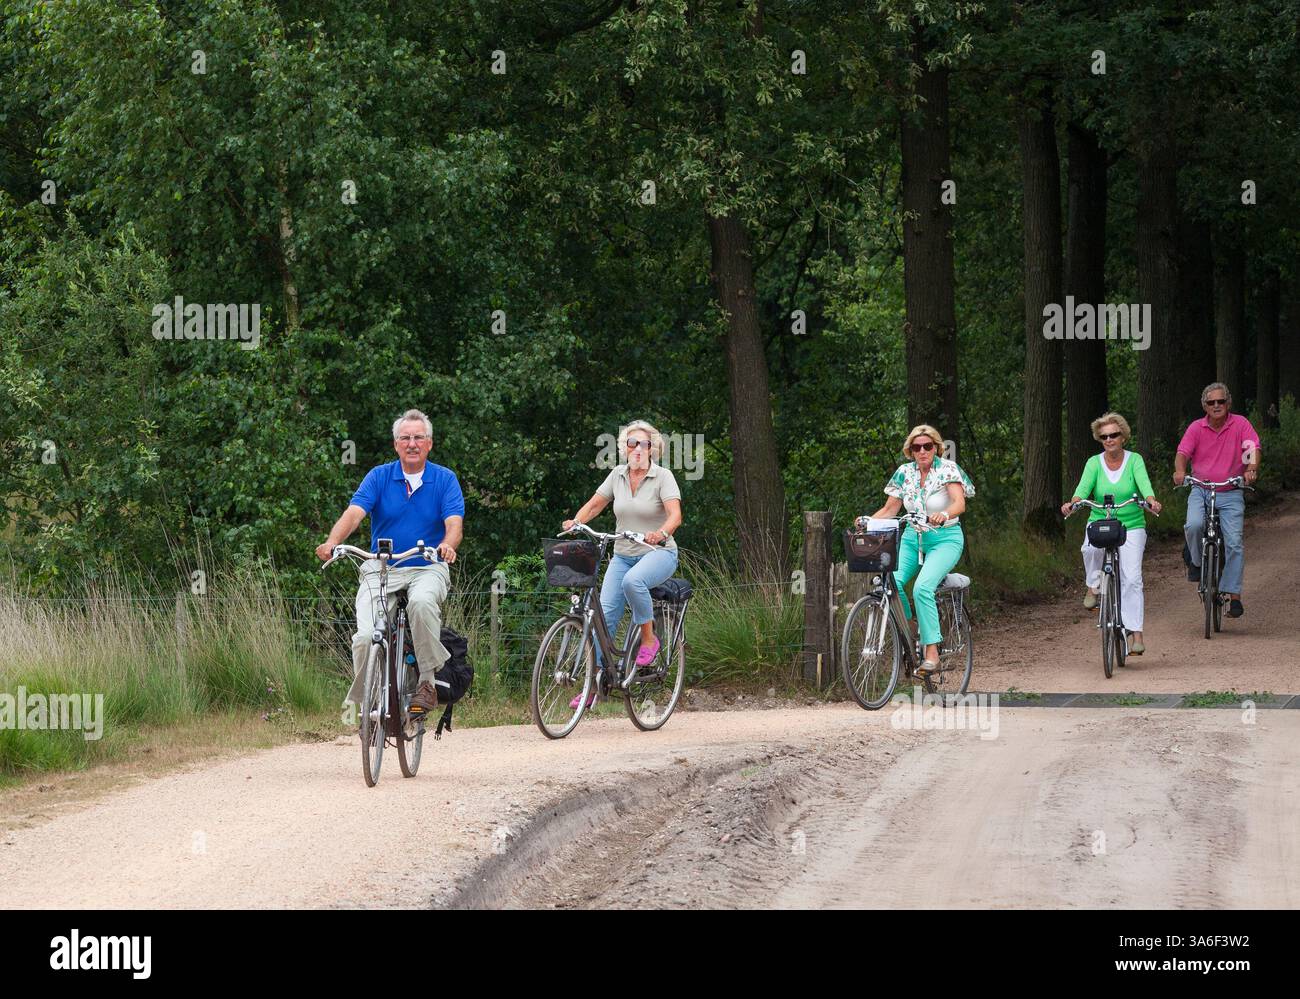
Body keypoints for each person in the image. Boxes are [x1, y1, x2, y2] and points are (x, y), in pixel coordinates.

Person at [316, 409, 464, 718]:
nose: (412, 443)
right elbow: (354, 513)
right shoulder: (379, 476)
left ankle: (426, 684)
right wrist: (333, 542)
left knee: (422, 604)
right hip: (381, 566)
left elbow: (454, 524)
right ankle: (367, 702)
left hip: (427, 564)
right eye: (405, 438)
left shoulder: (445, 479)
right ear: (395, 444)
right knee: (364, 637)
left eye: (418, 437)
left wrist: (447, 546)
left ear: (430, 444)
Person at [563, 420, 683, 707]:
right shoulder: (618, 475)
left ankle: (649, 640)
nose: (638, 449)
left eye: (643, 444)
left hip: (658, 553)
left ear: (652, 449)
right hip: (623, 555)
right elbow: (595, 504)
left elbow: (675, 515)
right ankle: (594, 686)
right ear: (625, 448)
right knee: (603, 618)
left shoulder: (663, 477)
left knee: (634, 582)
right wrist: (575, 522)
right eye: (632, 444)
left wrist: (661, 533)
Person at [864, 425, 975, 675]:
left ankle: (932, 653)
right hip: (913, 538)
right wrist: (866, 523)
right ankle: (911, 628)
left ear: (936, 447)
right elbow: (891, 509)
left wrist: (944, 513)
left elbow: (959, 503)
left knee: (922, 587)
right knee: (893, 582)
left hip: (944, 538)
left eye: (927, 446)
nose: (922, 451)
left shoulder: (947, 469)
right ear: (910, 450)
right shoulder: (904, 473)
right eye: (917, 447)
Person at [1060, 413, 1162, 655]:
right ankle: (1093, 585)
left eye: (1114, 435)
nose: (1109, 439)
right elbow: (1083, 489)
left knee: (1132, 578)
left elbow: (1144, 485)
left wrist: (1151, 501)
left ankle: (1136, 634)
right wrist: (1073, 503)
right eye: (1104, 436)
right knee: (1088, 548)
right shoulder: (1094, 463)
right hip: (1101, 521)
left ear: (1123, 437)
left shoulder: (1134, 460)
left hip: (1131, 524)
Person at [1173, 383, 1260, 618]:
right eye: (1211, 402)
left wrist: (1250, 469)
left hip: (1230, 490)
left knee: (1234, 542)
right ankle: (1197, 562)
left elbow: (1251, 448)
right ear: (1205, 406)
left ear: (1228, 403)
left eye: (1221, 401)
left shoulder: (1240, 424)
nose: (1216, 406)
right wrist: (1180, 472)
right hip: (1201, 489)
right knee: (1193, 526)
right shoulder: (1196, 428)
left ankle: (1234, 597)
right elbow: (1183, 453)